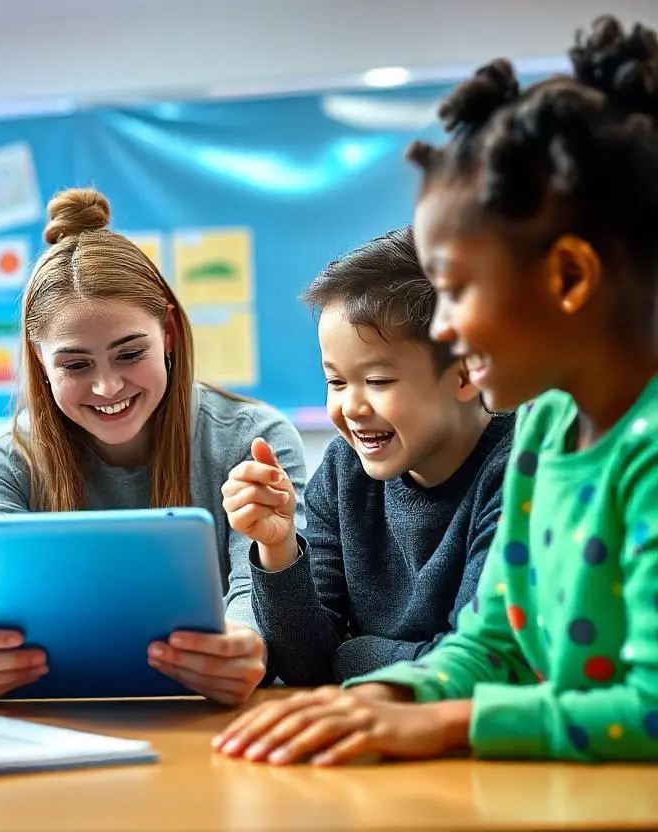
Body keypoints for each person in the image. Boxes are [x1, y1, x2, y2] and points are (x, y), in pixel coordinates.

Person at [214, 15, 658, 765]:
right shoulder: (548, 427)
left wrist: (447, 722)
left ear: (570, 279)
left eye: (456, 292)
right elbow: (491, 641)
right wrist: (385, 699)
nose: (445, 327)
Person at [0, 187, 307, 707]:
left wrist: (245, 641)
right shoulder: (4, 459)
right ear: (40, 363)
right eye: (75, 365)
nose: (108, 387)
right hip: (56, 727)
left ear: (170, 334)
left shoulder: (252, 437)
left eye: (130, 353)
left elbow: (261, 592)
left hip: (206, 723)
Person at [226, 227, 513, 685]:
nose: (352, 408)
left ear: (464, 375)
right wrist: (278, 548)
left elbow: (478, 665)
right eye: (336, 382)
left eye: (377, 382)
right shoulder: (344, 473)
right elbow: (303, 667)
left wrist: (351, 655)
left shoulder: (519, 472)